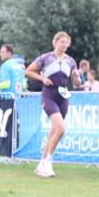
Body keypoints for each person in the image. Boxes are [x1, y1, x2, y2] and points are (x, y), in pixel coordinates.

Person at [25, 31, 82, 178]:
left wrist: (76, 78)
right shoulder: (46, 57)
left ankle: (41, 165)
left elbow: (77, 83)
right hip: (49, 95)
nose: (64, 45)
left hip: (63, 97)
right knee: (61, 129)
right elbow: (28, 71)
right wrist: (42, 79)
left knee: (53, 131)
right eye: (62, 42)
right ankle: (48, 162)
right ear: (55, 42)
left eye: (66, 42)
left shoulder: (71, 61)